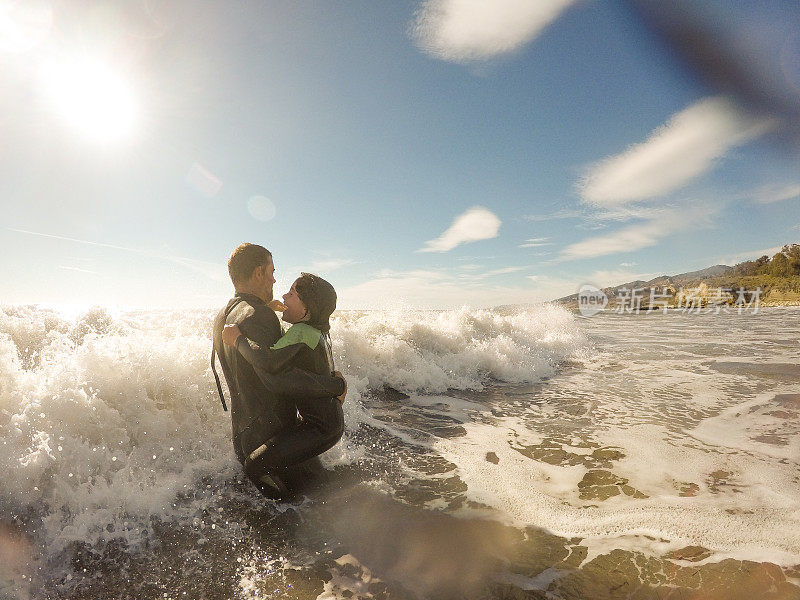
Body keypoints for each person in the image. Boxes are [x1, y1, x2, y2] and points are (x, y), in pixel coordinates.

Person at [212, 243, 345, 497]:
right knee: (315, 512)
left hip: (245, 440)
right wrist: (336, 386)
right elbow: (276, 376)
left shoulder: (223, 316)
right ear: (259, 272)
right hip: (274, 439)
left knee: (282, 519)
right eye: (272, 272)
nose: (275, 281)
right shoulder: (260, 315)